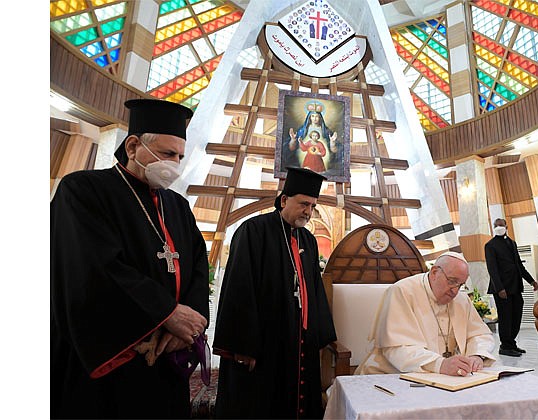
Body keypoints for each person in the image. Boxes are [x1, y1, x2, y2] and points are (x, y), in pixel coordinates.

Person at [51, 99, 211, 418]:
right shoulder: (83, 190)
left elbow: (197, 268)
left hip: (168, 358)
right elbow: (91, 267)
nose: (175, 164)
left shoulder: (178, 206)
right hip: (112, 360)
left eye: (180, 156)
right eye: (167, 154)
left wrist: (189, 324)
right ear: (134, 145)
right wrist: (167, 314)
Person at [213, 167, 336, 419]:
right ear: (283, 200)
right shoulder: (253, 231)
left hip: (298, 342)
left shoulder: (308, 241)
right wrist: (243, 345)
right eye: (303, 204)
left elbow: (314, 290)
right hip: (264, 345)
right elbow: (239, 289)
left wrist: (319, 336)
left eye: (312, 206)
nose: (308, 212)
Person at [355, 252, 497, 376]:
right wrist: (439, 364)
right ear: (435, 272)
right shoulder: (402, 291)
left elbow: (480, 334)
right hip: (392, 374)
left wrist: (476, 355)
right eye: (452, 281)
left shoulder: (461, 300)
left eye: (460, 285)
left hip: (445, 378)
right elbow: (396, 348)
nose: (455, 290)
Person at [484, 219, 538, 357]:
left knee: (516, 315)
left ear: (506, 227)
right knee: (506, 317)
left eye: (501, 225)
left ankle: (511, 342)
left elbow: (519, 265)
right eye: (496, 225)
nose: (499, 227)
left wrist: (531, 280)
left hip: (515, 286)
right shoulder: (490, 245)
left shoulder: (511, 243)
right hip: (502, 289)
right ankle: (505, 346)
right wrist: (500, 288)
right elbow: (492, 269)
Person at [285, 104, 340, 176]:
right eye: (313, 116)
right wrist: (293, 140)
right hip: (306, 156)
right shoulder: (303, 130)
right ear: (309, 117)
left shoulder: (326, 131)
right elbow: (292, 148)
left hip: (320, 157)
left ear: (320, 118)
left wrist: (332, 142)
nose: (315, 118)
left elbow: (334, 150)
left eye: (317, 116)